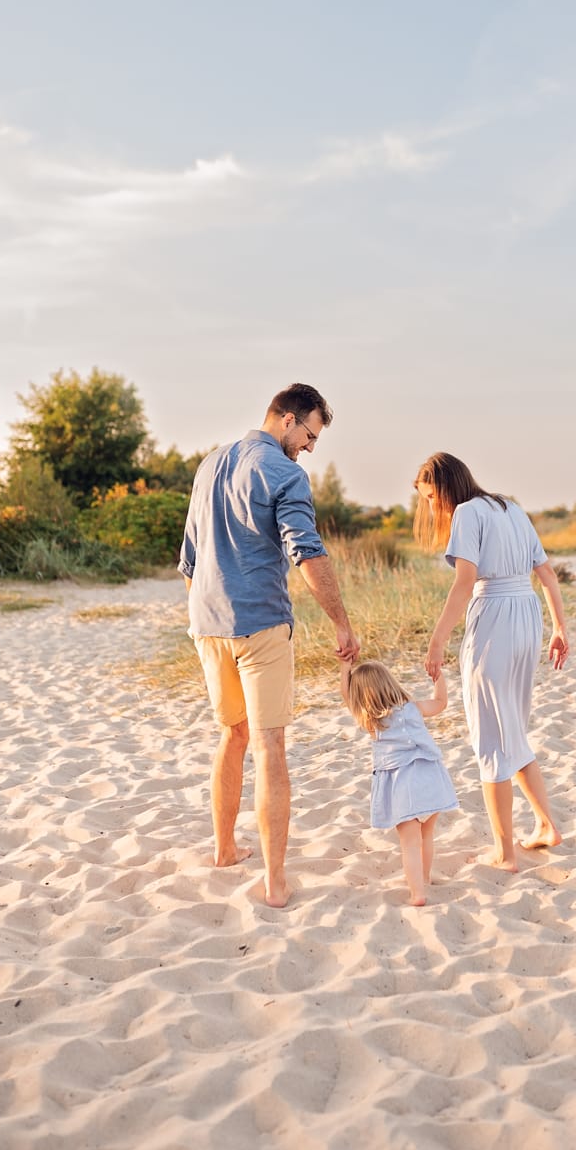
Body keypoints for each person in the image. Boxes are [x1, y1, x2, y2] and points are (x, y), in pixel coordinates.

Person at [178, 383, 360, 908]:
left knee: (232, 735)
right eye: (309, 434)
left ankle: (225, 850)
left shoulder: (209, 464)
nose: (309, 447)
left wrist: (210, 612)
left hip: (207, 626)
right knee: (270, 746)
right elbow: (306, 552)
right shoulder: (284, 473)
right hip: (260, 625)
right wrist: (341, 623)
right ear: (286, 419)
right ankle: (276, 882)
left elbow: (189, 559)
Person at [415, 452, 568, 872]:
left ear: (445, 486)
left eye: (430, 497)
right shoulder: (511, 507)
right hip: (527, 615)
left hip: (496, 615)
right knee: (512, 729)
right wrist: (559, 628)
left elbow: (465, 582)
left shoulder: (466, 512)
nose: (431, 506)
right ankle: (546, 825)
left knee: (490, 738)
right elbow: (549, 575)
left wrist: (437, 641)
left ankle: (505, 853)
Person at [340, 658, 458, 907]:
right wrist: (438, 676)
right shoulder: (413, 708)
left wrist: (344, 667)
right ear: (390, 684)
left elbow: (346, 696)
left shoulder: (373, 721)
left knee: (410, 843)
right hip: (430, 778)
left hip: (403, 785)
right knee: (427, 836)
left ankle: (417, 893)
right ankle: (424, 879)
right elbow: (441, 702)